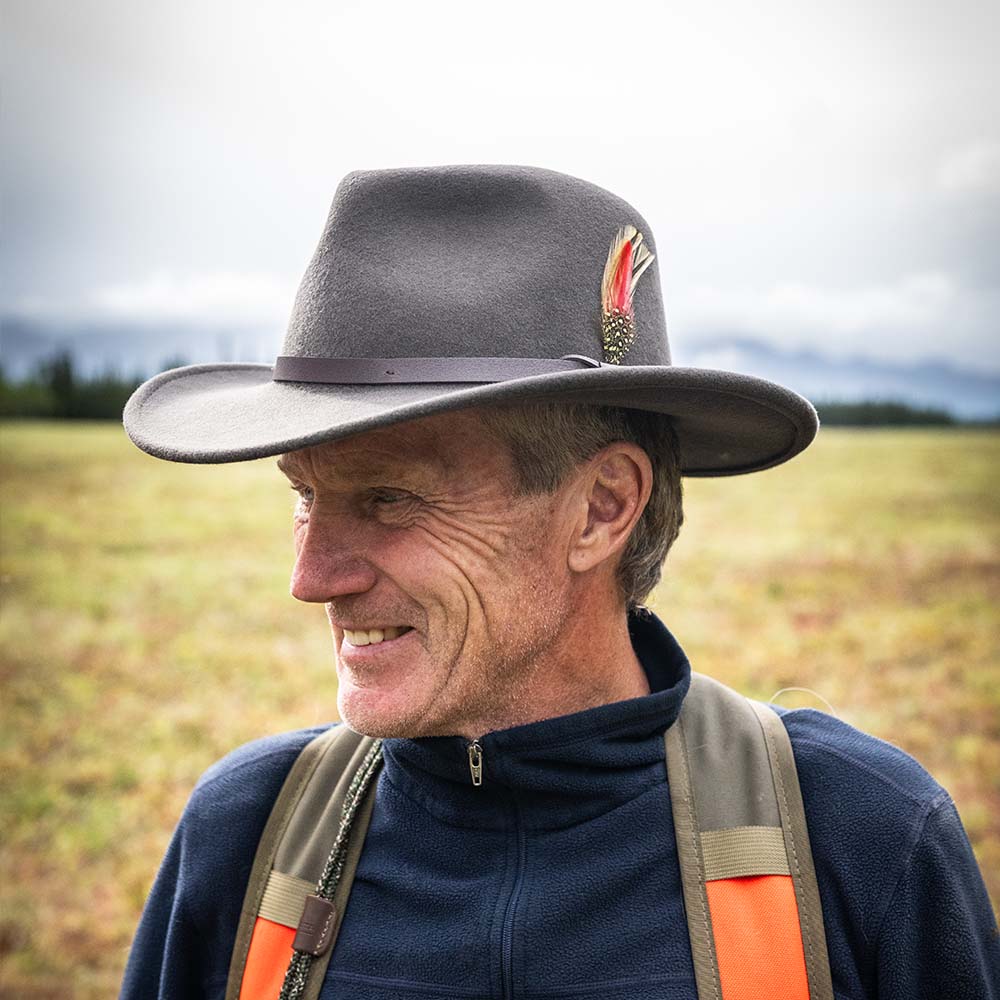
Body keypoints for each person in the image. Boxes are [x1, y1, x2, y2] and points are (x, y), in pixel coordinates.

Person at [119, 165, 998, 1000]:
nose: (310, 579)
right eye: (306, 496)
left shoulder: (861, 841)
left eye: (389, 498)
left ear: (601, 509)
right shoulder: (245, 841)